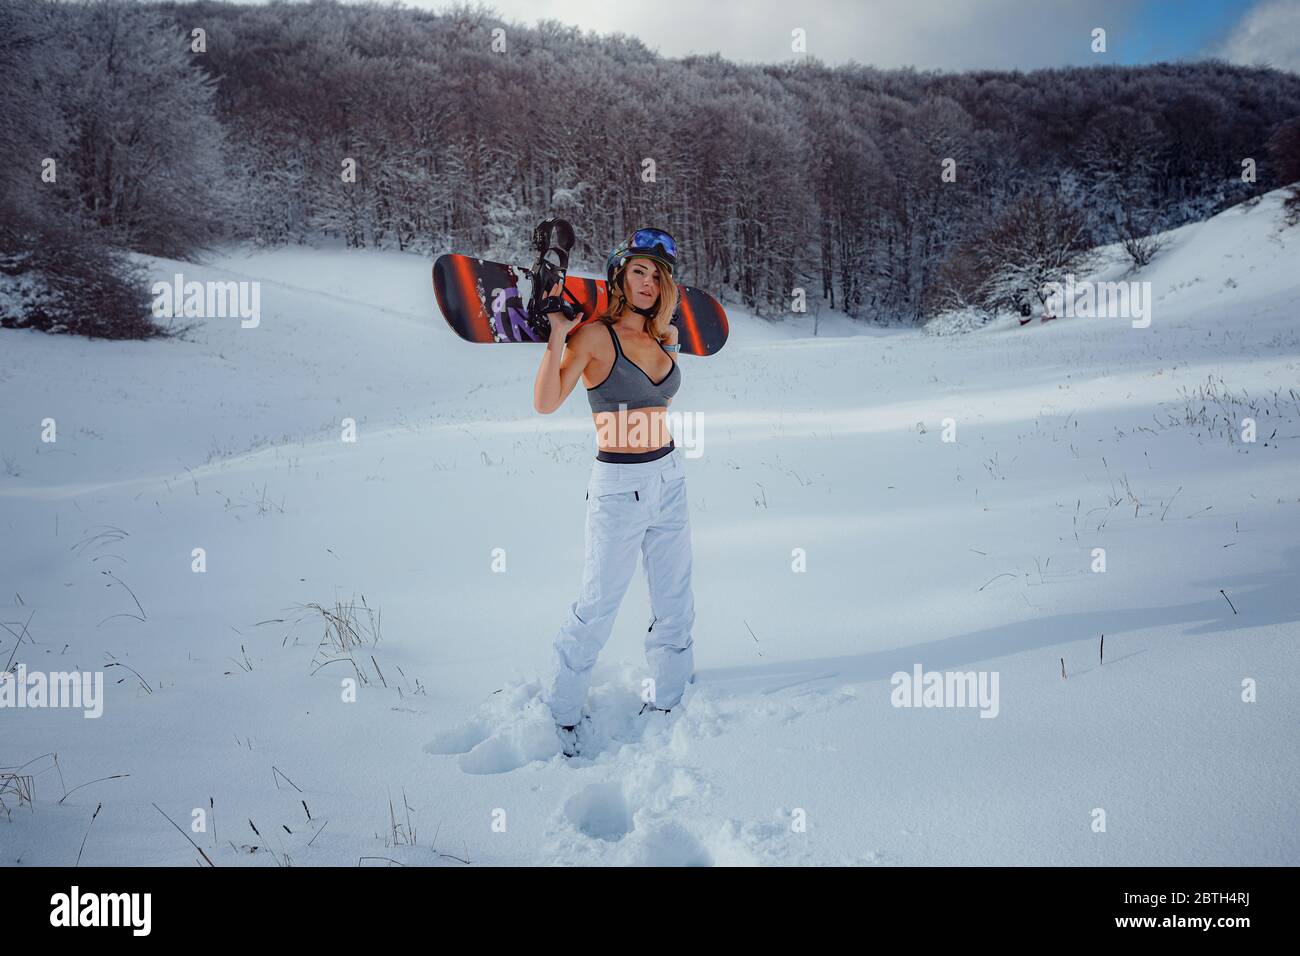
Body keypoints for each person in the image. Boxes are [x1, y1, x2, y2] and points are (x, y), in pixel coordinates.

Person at [532, 227, 696, 757]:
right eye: (639, 272)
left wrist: (667, 335)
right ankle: (561, 710)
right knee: (598, 603)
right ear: (621, 276)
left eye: (657, 275)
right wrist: (558, 333)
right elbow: (547, 400)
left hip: (668, 476)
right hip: (619, 484)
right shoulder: (597, 337)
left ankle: (671, 696)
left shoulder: (661, 338)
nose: (648, 283)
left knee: (674, 599)